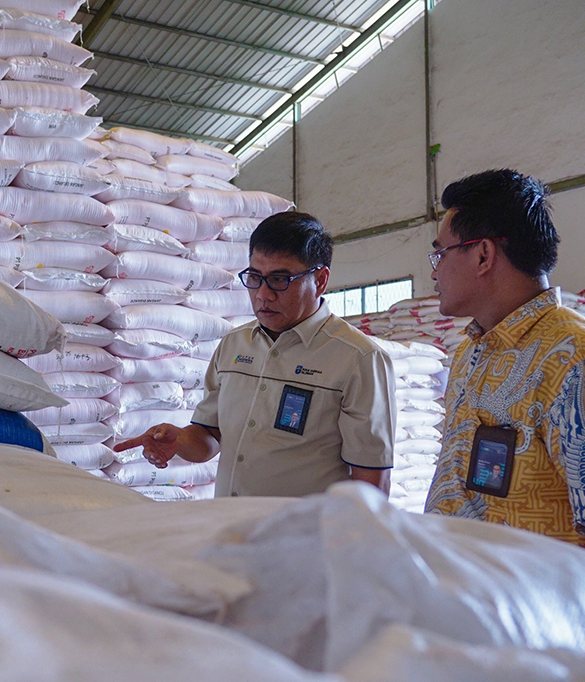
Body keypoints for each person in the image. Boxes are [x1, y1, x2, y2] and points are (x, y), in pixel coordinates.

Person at [424, 169, 585, 571]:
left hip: (539, 620)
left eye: (440, 254)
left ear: (483, 255)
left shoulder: (582, 360)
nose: (433, 272)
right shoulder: (470, 354)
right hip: (464, 608)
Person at [114, 212, 396, 498]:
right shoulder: (234, 346)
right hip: (233, 530)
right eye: (254, 277)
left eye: (279, 279)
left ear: (320, 280)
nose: (263, 294)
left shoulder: (358, 359)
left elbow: (371, 483)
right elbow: (211, 436)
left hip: (304, 538)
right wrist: (180, 440)